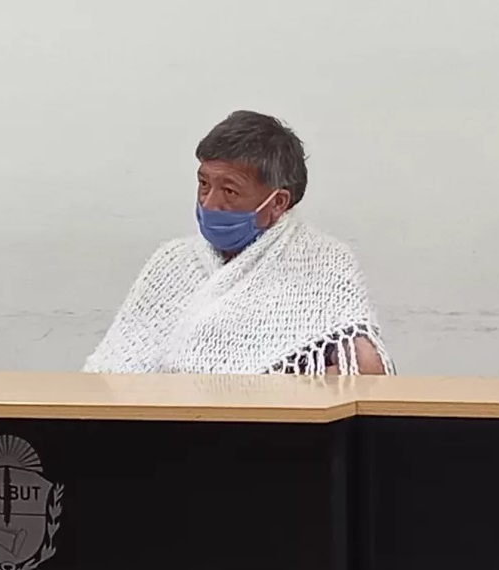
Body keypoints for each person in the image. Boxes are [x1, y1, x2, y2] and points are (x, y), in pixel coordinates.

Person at [84, 110, 394, 375]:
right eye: (203, 184)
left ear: (277, 203)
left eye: (229, 191)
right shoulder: (172, 261)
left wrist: (260, 390)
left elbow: (367, 367)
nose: (209, 203)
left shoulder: (323, 260)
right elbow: (112, 369)